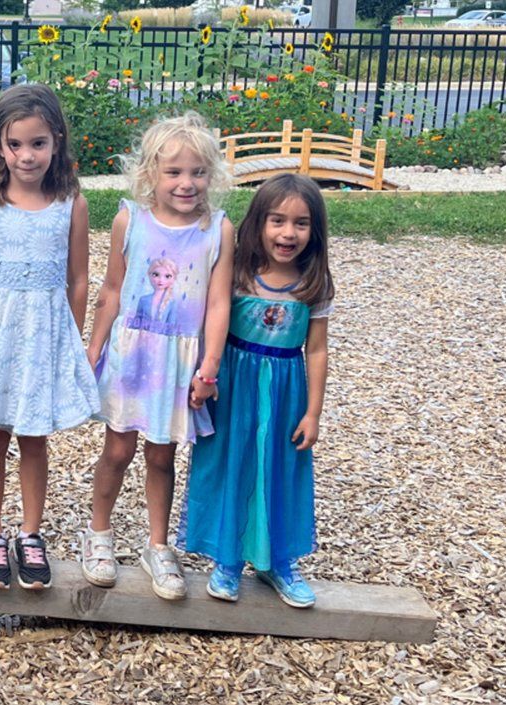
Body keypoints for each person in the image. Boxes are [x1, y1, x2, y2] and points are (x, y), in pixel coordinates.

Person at [0, 84, 99, 591]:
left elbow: (79, 279)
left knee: (34, 437)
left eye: (37, 143)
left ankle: (30, 534)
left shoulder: (71, 203)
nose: (26, 155)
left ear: (57, 141)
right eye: (15, 144)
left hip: (44, 335)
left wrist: (69, 341)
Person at [82, 112, 235, 599]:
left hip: (179, 362)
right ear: (150, 173)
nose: (186, 183)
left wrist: (209, 364)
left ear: (213, 175)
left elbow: (217, 301)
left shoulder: (218, 230)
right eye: (174, 172)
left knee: (162, 455)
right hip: (131, 354)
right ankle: (99, 534)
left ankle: (157, 544)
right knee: (118, 450)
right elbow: (111, 289)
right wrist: (93, 348)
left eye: (197, 172)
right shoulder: (131, 218)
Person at [182, 174, 334, 608]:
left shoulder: (314, 283)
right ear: (258, 223)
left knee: (281, 470)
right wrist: (202, 378)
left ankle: (278, 561)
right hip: (233, 387)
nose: (288, 233)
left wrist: (313, 413)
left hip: (286, 392)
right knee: (230, 464)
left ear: (314, 230)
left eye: (301, 223)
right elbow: (210, 324)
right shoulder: (238, 275)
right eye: (277, 221)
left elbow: (317, 350)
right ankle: (227, 559)